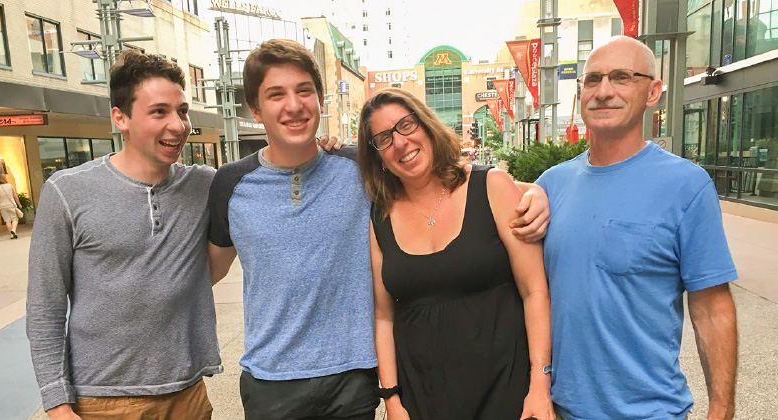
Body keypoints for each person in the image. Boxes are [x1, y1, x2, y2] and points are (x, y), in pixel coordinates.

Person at [206, 39, 551, 420]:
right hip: (273, 382)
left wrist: (537, 192)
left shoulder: (358, 171)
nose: (293, 104)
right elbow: (209, 268)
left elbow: (480, 190)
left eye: (304, 90)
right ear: (255, 109)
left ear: (320, 100)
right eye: (276, 94)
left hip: (354, 380)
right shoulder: (230, 184)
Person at [536, 36, 738, 420]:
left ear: (653, 92)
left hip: (650, 411)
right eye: (592, 79)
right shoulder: (550, 185)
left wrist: (721, 409)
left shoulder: (686, 186)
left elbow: (712, 307)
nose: (603, 91)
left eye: (622, 77)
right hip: (560, 410)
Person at [27, 50, 222, 420]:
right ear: (121, 117)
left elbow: (268, 169)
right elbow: (44, 307)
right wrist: (57, 404)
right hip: (101, 400)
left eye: (182, 111)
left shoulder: (205, 186)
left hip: (188, 395)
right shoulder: (67, 191)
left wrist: (331, 149)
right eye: (159, 112)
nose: (179, 125)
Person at [357, 88, 554, 420]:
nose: (400, 142)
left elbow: (534, 291)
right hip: (421, 398)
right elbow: (383, 316)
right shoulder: (380, 217)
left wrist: (540, 383)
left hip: (507, 392)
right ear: (379, 158)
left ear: (427, 125)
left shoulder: (491, 187)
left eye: (406, 125)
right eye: (384, 138)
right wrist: (392, 401)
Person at [0, 173, 22, 239]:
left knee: (7, 221)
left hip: (2, 206)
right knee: (15, 219)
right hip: (11, 205)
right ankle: (13, 230)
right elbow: (15, 196)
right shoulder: (10, 186)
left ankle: (12, 234)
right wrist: (19, 204)